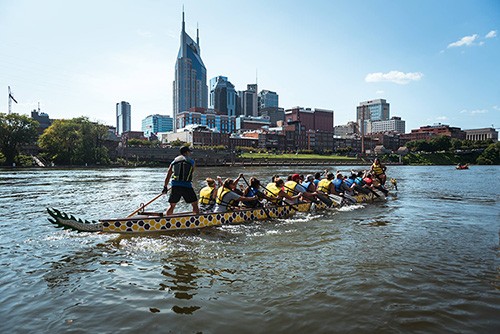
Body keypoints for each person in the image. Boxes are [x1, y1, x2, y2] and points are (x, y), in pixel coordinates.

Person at [163, 146, 199, 215]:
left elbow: (169, 174)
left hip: (175, 186)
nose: (190, 153)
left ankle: (168, 219)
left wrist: (165, 186)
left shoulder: (174, 161)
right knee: (194, 204)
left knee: (172, 205)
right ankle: (196, 218)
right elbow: (191, 172)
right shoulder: (191, 161)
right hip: (187, 186)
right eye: (189, 152)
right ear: (187, 152)